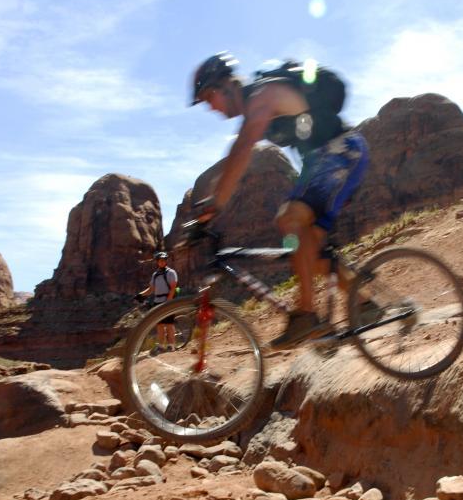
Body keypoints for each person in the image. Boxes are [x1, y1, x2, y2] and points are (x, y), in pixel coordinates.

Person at [190, 52, 370, 349]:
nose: (211, 107)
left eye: (209, 97)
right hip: (324, 160)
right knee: (310, 253)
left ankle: (306, 317)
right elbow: (233, 158)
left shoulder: (264, 95)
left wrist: (215, 206)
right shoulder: (255, 107)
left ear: (225, 86)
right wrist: (205, 207)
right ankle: (366, 303)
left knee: (289, 218)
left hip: (341, 151)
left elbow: (243, 147)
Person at [136, 251, 179, 355]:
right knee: (159, 325)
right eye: (160, 261)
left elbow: (173, 288)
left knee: (169, 324)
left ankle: (171, 345)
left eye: (164, 260)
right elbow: (151, 289)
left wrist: (168, 301)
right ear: (157, 262)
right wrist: (141, 295)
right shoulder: (155, 274)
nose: (162, 262)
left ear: (166, 261)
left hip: (168, 301)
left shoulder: (171, 272)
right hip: (157, 302)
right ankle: (161, 346)